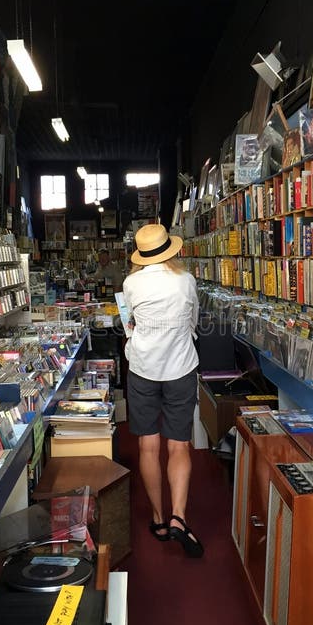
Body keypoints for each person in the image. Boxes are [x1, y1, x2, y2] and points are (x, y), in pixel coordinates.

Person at [122, 223, 203, 557]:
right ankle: (178, 517)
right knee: (179, 444)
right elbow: (193, 320)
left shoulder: (131, 283)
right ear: (171, 249)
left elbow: (131, 323)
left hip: (142, 369)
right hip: (180, 368)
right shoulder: (185, 281)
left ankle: (157, 517)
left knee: (148, 446)